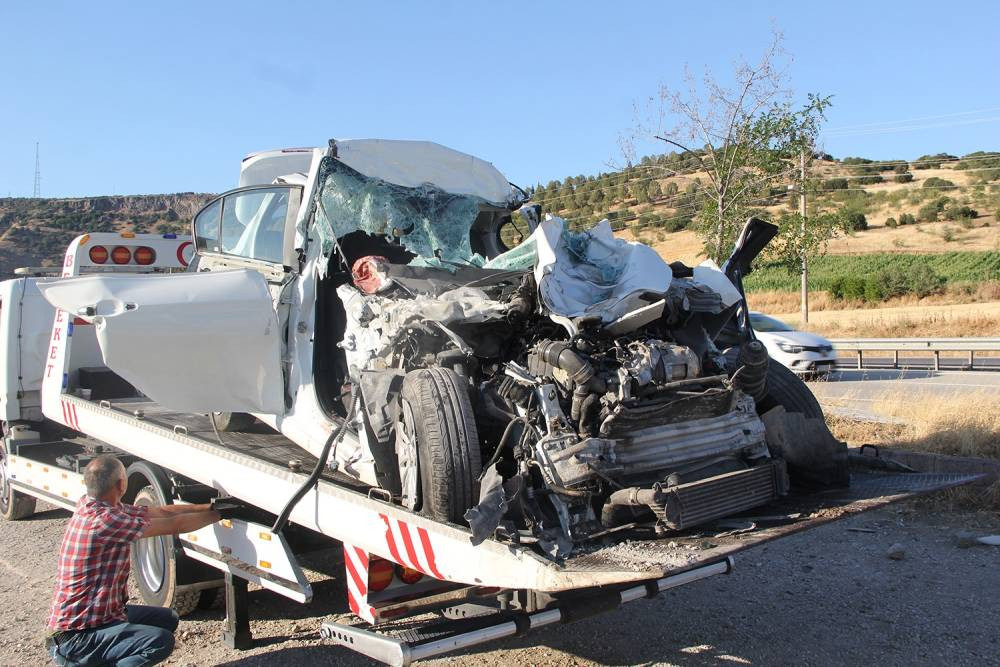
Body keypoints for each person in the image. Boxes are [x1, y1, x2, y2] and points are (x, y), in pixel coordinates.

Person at [46, 455, 220, 666]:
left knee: (167, 619)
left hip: (94, 619)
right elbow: (175, 525)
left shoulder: (93, 506)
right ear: (121, 484)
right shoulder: (106, 522)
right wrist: (220, 515)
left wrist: (210, 507)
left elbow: (162, 512)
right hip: (77, 638)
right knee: (159, 642)